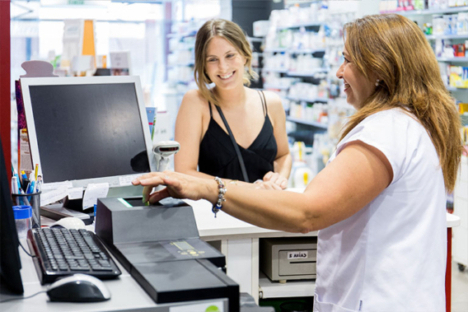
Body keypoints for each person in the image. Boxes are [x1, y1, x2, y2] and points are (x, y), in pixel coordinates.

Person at [134, 14, 463, 311]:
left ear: (379, 68)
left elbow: (307, 213)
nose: (338, 71)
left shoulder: (385, 131)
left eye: (347, 60)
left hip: (378, 300)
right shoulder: (413, 123)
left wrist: (209, 187)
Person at [173, 19, 292, 190]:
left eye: (230, 55)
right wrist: (245, 190)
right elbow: (184, 172)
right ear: (203, 66)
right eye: (213, 59)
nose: (223, 67)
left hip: (268, 212)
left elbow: (283, 155)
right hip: (217, 213)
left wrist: (279, 178)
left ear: (244, 55)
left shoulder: (270, 103)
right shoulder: (196, 102)